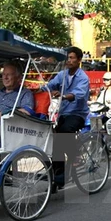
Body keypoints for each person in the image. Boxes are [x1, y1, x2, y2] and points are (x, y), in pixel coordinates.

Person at [42, 46, 90, 180]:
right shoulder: (62, 75)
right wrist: (38, 91)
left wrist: (62, 95)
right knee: (55, 141)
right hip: (63, 113)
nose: (68, 60)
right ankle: (59, 175)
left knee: (65, 130)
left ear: (79, 60)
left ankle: (76, 155)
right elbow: (49, 85)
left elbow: (78, 94)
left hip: (77, 114)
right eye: (67, 58)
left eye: (71, 58)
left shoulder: (83, 77)